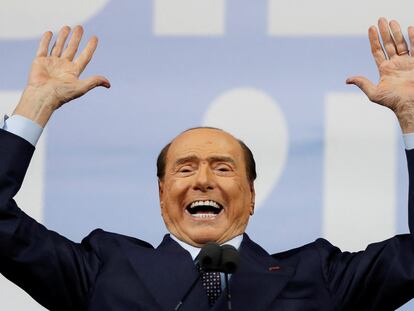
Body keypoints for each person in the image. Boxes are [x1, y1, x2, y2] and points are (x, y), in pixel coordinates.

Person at [1, 17, 414, 311]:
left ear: (251, 195)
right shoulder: (102, 269)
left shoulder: (318, 274)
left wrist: (412, 115)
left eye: (222, 167)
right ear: (161, 195)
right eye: (184, 168)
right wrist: (35, 104)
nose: (202, 180)